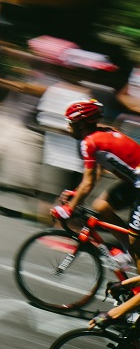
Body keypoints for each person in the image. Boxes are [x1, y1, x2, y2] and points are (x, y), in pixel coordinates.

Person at [50, 99, 140, 274]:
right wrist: (76, 193)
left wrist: (68, 209)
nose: (69, 128)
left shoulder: (89, 142)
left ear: (82, 124)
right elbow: (98, 171)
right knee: (101, 207)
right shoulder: (103, 132)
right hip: (134, 182)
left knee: (135, 241)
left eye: (71, 123)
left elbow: (89, 183)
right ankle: (127, 253)